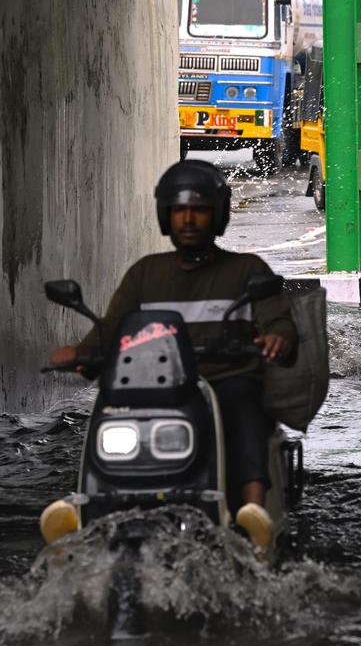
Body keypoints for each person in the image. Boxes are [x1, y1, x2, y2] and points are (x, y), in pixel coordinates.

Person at [44, 160, 297, 552]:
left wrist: (277, 338)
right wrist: (82, 351)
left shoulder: (248, 270)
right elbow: (111, 329)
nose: (189, 219)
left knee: (246, 409)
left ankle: (253, 518)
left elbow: (278, 321)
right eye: (180, 210)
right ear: (166, 216)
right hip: (153, 389)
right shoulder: (145, 273)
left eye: (199, 209)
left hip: (225, 382)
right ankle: (85, 512)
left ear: (218, 216)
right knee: (108, 416)